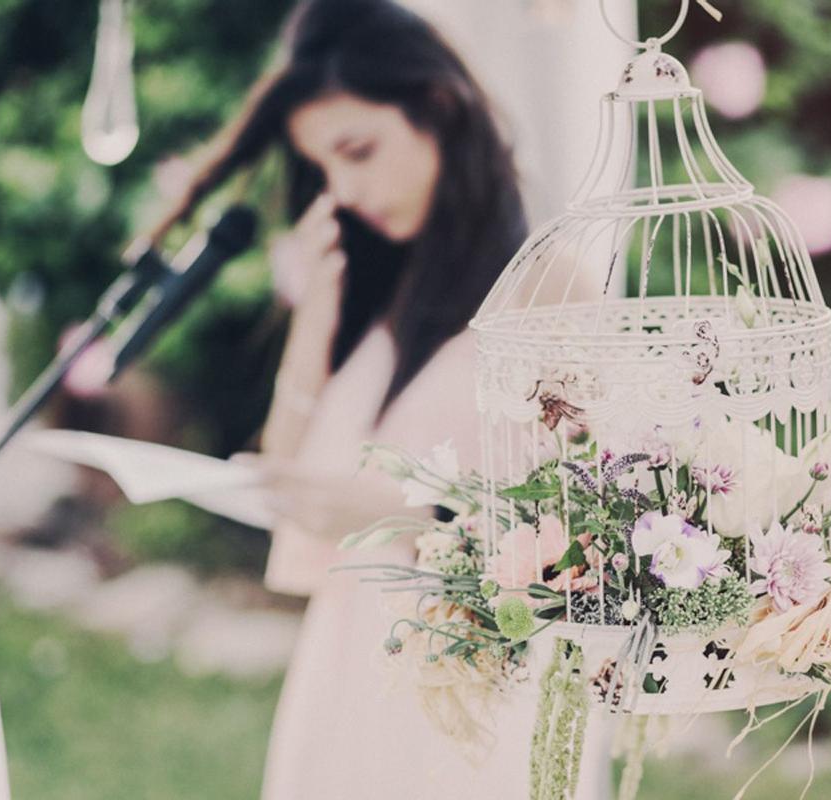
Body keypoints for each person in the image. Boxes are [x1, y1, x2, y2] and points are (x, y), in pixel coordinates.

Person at [152, 1, 608, 797]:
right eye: (325, 167)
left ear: (436, 108)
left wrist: (401, 517)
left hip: (473, 696)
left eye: (359, 151)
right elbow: (289, 501)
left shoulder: (550, 288)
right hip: (343, 675)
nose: (345, 189)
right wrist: (314, 327)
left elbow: (588, 534)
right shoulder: (383, 295)